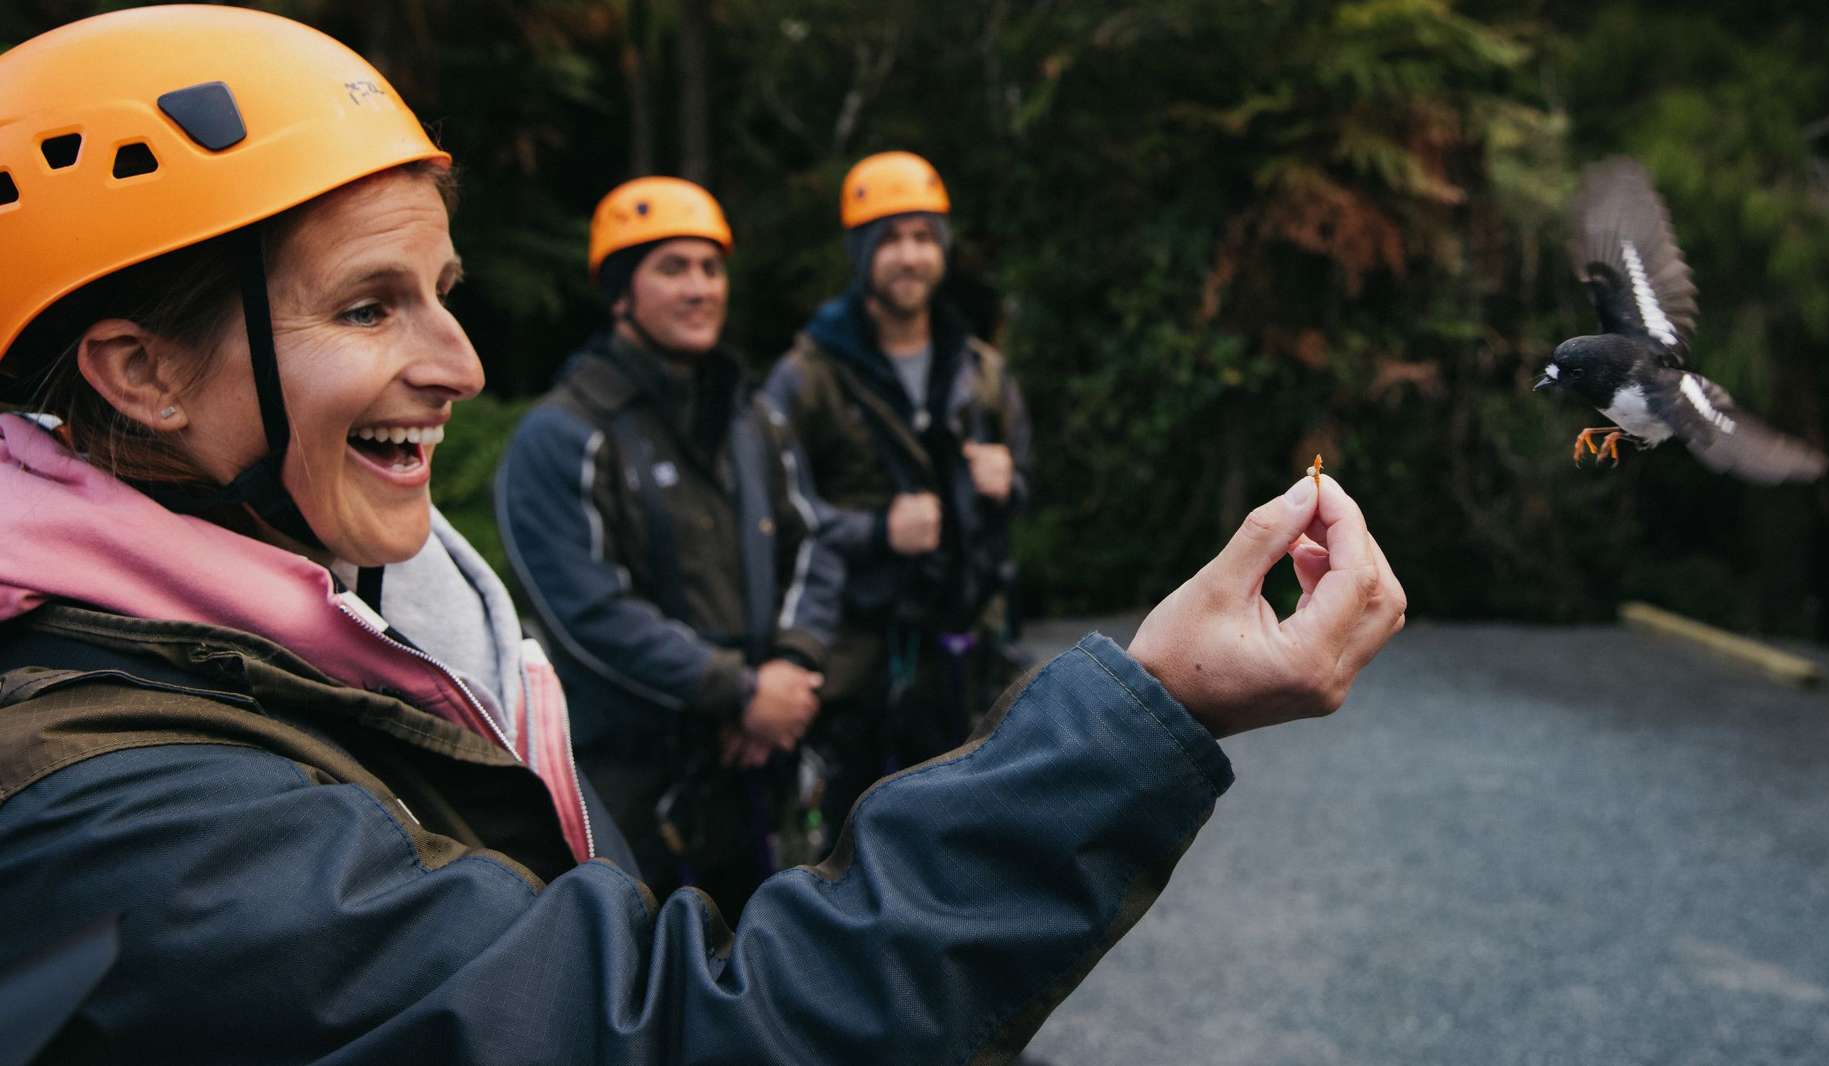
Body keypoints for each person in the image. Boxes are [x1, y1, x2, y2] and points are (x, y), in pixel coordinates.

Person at [0, 7, 1406, 1061]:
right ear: (140, 372)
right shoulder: (118, 809)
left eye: (443, 288)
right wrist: (1138, 709)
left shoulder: (389, 609)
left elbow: (800, 539)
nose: (463, 360)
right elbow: (674, 1022)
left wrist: (804, 656)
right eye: (370, 305)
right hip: (671, 741)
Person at [496, 177, 840, 913]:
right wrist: (741, 694)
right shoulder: (560, 437)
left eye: (711, 268)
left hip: (753, 773)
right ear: (621, 293)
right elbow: (585, 613)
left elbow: (816, 547)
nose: (700, 288)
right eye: (673, 268)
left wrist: (791, 666)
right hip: (628, 793)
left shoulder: (754, 420)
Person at [765, 151, 1034, 851]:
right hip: (856, 665)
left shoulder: (980, 371)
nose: (908, 256)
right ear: (860, 254)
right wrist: (879, 529)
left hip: (964, 653)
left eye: (922, 236)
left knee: (966, 844)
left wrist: (1008, 484)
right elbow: (767, 517)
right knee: (857, 849)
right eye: (888, 239)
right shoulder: (807, 377)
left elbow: (1023, 492)